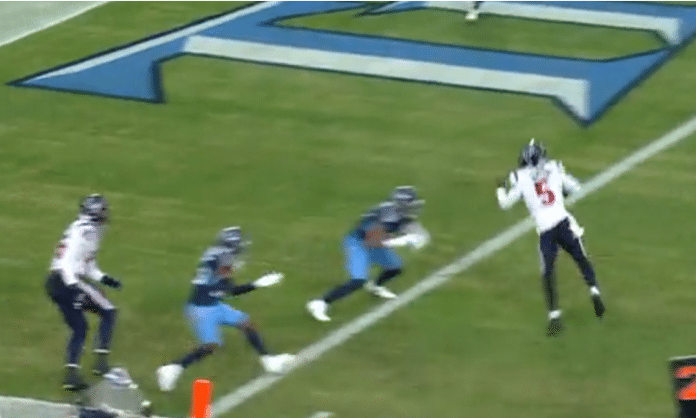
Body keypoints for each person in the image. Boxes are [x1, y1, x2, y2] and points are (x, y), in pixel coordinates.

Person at [156, 226, 294, 392]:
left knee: (246, 323)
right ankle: (172, 368)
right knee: (211, 346)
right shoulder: (223, 262)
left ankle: (269, 360)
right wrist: (257, 284)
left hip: (211, 303)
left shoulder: (216, 254)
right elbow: (231, 291)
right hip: (202, 309)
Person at [496, 139, 605, 336]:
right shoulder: (553, 168)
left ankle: (554, 316)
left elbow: (505, 204)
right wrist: (561, 191)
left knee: (548, 272)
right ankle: (594, 291)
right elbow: (577, 188)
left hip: (546, 231)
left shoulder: (519, 177)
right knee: (581, 258)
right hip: (563, 222)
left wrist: (499, 189)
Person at [306, 186, 430, 322]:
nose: (412, 207)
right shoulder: (382, 214)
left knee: (395, 268)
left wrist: (416, 238)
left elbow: (419, 234)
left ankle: (375, 286)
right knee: (359, 280)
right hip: (358, 242)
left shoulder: (400, 215)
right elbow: (374, 238)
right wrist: (401, 241)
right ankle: (320, 303)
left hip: (377, 242)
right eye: (409, 204)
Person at [45, 194, 122, 391]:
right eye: (103, 210)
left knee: (79, 327)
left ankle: (71, 376)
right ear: (95, 211)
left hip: (55, 282)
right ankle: (101, 365)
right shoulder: (86, 231)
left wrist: (106, 279)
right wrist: (74, 290)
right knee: (109, 312)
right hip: (66, 280)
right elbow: (67, 265)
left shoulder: (83, 228)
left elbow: (88, 267)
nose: (106, 213)